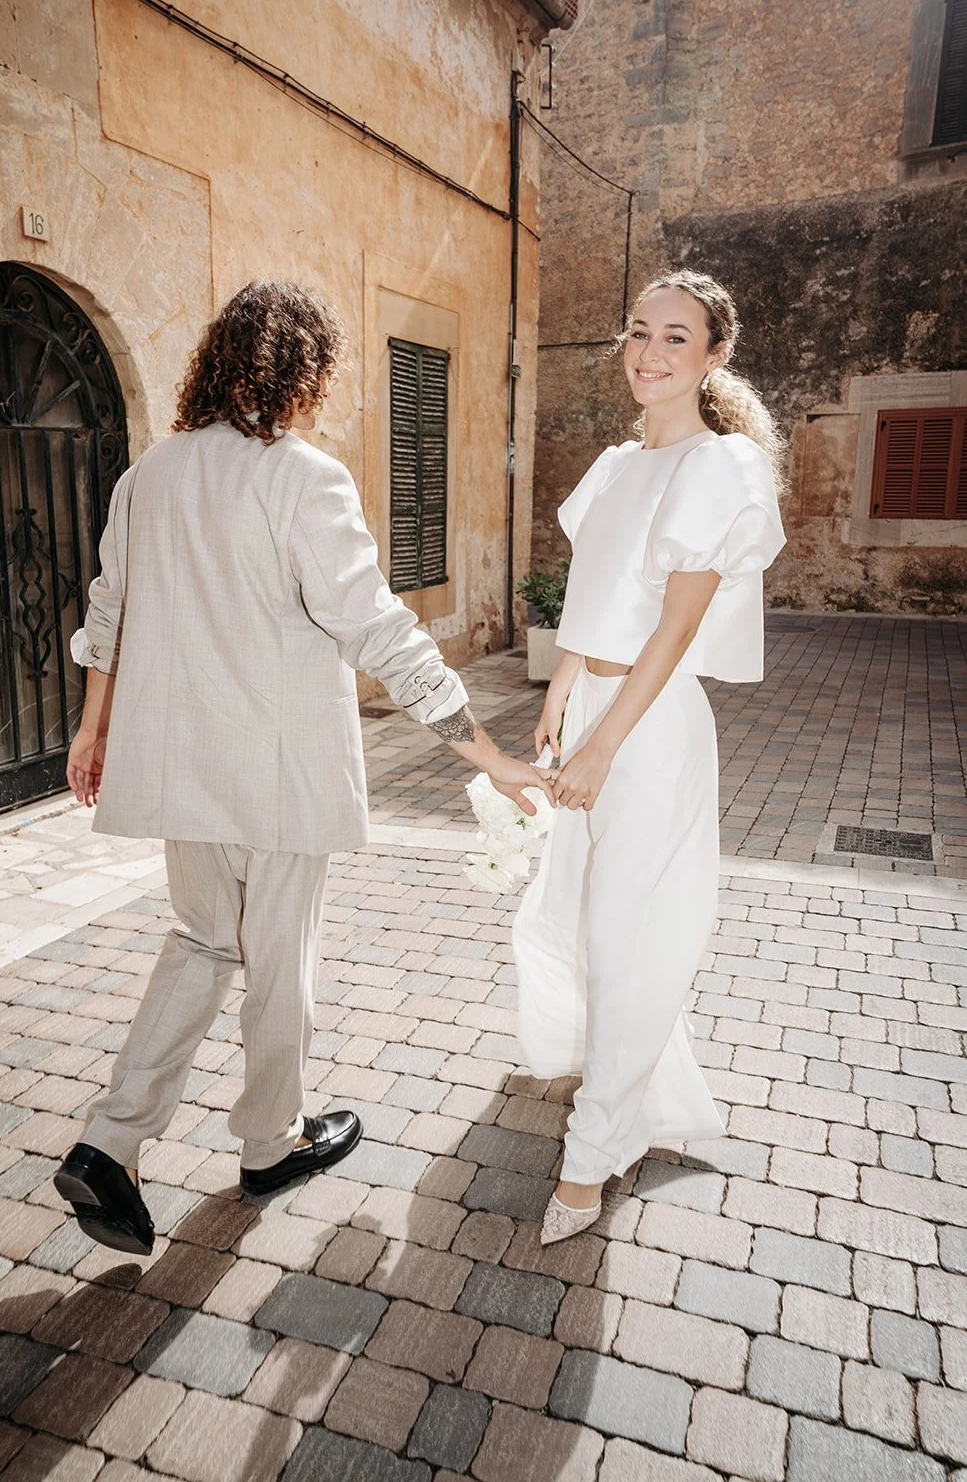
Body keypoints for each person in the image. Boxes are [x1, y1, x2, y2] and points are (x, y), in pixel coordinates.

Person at [54, 279, 552, 1255]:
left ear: (218, 358)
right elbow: (377, 625)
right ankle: (268, 1145)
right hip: (276, 777)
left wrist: (91, 731)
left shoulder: (147, 475)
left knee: (202, 942)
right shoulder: (304, 478)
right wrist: (482, 749)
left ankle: (109, 1145)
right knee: (280, 967)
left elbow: (107, 614)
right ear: (305, 371)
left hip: (180, 770)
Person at [513, 270, 786, 1244]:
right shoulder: (616, 466)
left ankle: (587, 1162)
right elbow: (592, 602)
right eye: (637, 331)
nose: (648, 352)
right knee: (597, 931)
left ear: (713, 355)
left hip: (648, 720)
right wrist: (557, 694)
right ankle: (636, 1094)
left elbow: (674, 630)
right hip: (592, 700)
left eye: (675, 337)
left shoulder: (720, 469)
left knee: (629, 939)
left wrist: (601, 741)